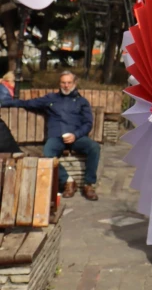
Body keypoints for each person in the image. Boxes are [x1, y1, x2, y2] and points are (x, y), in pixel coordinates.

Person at [4, 71, 100, 200]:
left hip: (76, 137)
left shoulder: (82, 101)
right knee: (48, 153)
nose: (66, 85)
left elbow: (88, 123)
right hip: (56, 137)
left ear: (74, 83)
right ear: (59, 83)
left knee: (94, 147)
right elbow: (27, 103)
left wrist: (75, 135)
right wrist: (3, 103)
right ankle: (68, 181)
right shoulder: (51, 98)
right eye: (63, 82)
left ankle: (89, 184)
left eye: (69, 83)